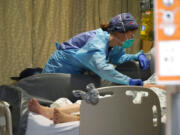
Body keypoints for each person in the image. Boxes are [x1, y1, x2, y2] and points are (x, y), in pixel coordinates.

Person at [42, 13, 150, 86]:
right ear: (119, 31)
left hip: (75, 74)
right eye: (131, 35)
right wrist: (129, 81)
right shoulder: (97, 42)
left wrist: (137, 56)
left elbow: (118, 58)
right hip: (58, 70)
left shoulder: (114, 44)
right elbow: (102, 69)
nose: (132, 39)